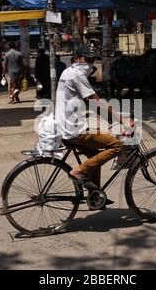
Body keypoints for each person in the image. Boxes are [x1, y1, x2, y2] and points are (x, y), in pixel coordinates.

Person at [55, 45, 135, 208]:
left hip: (65, 127)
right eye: (86, 59)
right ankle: (78, 172)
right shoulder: (78, 75)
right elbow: (96, 101)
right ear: (77, 58)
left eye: (92, 60)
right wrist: (122, 120)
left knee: (95, 157)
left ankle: (95, 195)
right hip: (75, 130)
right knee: (116, 145)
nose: (89, 64)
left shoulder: (67, 72)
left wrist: (110, 119)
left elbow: (91, 104)